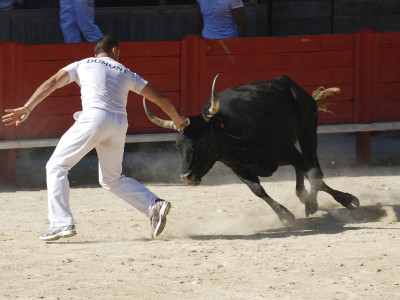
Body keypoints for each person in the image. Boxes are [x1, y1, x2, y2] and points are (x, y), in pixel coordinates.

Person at [2, 35, 189, 241]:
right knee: (112, 178)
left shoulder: (82, 64)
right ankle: (154, 205)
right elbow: (160, 98)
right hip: (119, 123)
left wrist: (27, 107)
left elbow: (53, 82)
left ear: (96, 53)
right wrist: (178, 121)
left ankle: (61, 223)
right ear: (115, 51)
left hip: (94, 118)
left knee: (56, 167)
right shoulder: (126, 72)